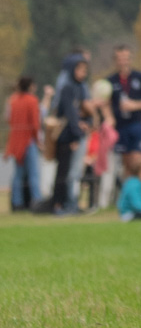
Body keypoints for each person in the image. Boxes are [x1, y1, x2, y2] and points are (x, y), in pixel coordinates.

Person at [51, 57, 93, 215]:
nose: (83, 73)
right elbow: (70, 114)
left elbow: (83, 111)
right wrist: (76, 136)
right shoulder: (67, 87)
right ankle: (59, 205)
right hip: (67, 137)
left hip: (76, 134)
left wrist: (86, 123)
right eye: (80, 69)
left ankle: (71, 202)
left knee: (74, 172)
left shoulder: (79, 87)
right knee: (63, 171)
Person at [108, 44, 141, 157]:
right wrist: (108, 117)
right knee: (124, 161)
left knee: (137, 158)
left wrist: (135, 105)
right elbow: (106, 104)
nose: (122, 62)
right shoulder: (110, 81)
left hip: (136, 123)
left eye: (125, 58)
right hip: (119, 126)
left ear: (130, 59)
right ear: (115, 60)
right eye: (119, 59)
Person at [5, 75, 42, 211]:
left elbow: (8, 120)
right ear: (31, 86)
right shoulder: (32, 100)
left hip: (15, 141)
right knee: (33, 173)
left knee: (18, 175)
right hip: (28, 141)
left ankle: (17, 202)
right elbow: (35, 123)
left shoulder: (12, 101)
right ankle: (36, 201)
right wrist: (38, 140)